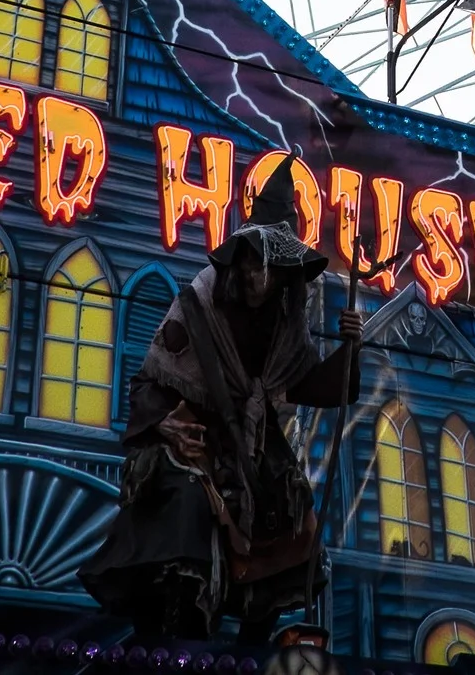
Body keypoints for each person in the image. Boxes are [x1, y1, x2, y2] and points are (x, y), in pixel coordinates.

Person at [80, 165, 363, 644]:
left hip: (254, 444)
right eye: (251, 263)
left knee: (294, 518)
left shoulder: (287, 322)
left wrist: (350, 349)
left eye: (267, 268)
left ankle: (250, 649)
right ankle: (170, 640)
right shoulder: (200, 303)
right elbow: (149, 380)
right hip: (191, 439)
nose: (257, 276)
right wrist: (166, 423)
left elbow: (313, 385)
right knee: (185, 512)